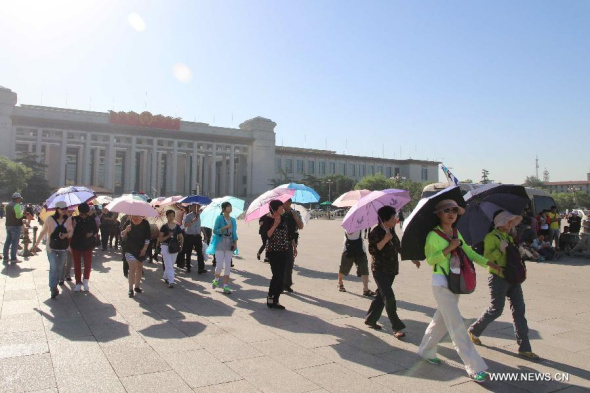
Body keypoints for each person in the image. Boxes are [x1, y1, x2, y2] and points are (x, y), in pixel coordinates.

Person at [417, 199, 501, 383]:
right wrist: (449, 248)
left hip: (456, 283)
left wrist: (489, 264)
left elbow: (469, 253)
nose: (451, 213)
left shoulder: (456, 232)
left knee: (440, 321)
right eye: (447, 210)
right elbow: (431, 260)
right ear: (439, 214)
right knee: (457, 326)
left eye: (454, 210)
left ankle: (425, 350)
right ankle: (474, 367)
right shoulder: (433, 235)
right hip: (441, 283)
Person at [468, 210, 539, 361]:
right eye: (508, 222)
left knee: (519, 311)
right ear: (500, 222)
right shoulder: (491, 237)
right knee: (496, 309)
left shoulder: (509, 236)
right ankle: (474, 330)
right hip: (498, 277)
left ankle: (524, 347)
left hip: (513, 277)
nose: (510, 224)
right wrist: (500, 251)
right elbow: (487, 257)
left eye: (511, 222)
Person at [365, 206, 418, 337]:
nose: (396, 219)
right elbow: (373, 251)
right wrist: (384, 240)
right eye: (393, 217)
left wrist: (412, 258)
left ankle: (371, 319)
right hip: (379, 270)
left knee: (381, 296)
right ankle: (396, 327)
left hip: (391, 269)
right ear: (385, 219)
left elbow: (399, 247)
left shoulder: (391, 231)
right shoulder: (375, 232)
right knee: (388, 296)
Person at [32, 201, 73, 299]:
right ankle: (53, 287)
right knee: (53, 267)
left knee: (60, 267)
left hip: (63, 247)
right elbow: (43, 232)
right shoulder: (50, 219)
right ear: (57, 209)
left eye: (65, 208)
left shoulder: (68, 219)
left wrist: (65, 235)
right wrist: (35, 245)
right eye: (62, 209)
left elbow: (71, 231)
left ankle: (55, 283)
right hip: (51, 247)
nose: (64, 210)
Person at [259, 200, 290, 309]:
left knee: (281, 277)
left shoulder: (284, 219)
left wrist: (293, 245)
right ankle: (270, 297)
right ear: (275, 209)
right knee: (276, 275)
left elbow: (288, 234)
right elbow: (266, 235)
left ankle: (276, 299)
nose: (283, 208)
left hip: (284, 251)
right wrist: (275, 225)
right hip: (273, 252)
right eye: (281, 207)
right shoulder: (267, 220)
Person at [208, 202, 238, 294]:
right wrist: (225, 227)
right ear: (224, 209)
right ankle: (216, 279)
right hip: (220, 243)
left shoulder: (233, 220)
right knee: (220, 265)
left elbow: (234, 232)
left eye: (231, 206)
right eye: (229, 206)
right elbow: (215, 230)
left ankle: (226, 286)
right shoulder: (219, 218)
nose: (231, 208)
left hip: (229, 243)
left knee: (228, 265)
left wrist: (235, 242)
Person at [337, 229, 376, 296]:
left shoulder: (361, 222)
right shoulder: (349, 224)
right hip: (348, 249)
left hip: (360, 249)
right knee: (344, 268)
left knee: (364, 269)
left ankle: (365, 289)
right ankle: (340, 282)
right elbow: (349, 232)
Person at [70, 203, 98, 292]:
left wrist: (91, 233)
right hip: (76, 243)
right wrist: (73, 226)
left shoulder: (91, 219)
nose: (83, 215)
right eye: (82, 213)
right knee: (77, 264)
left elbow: (96, 229)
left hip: (87, 244)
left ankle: (85, 281)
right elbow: (70, 231)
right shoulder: (74, 219)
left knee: (87, 264)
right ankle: (78, 282)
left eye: (85, 213)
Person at [121, 215, 151, 297]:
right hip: (129, 248)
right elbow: (122, 235)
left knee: (139, 267)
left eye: (136, 215)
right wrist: (126, 230)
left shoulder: (145, 223)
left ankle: (137, 286)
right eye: (133, 215)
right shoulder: (128, 222)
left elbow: (148, 237)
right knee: (132, 267)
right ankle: (130, 289)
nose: (134, 217)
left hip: (141, 249)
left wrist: (144, 248)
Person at [282, 199, 304, 293]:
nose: (283, 204)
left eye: (285, 203)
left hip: (292, 241)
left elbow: (301, 226)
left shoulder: (296, 213)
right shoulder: (280, 214)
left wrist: (295, 217)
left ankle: (287, 284)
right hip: (281, 240)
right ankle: (281, 284)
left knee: (290, 263)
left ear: (289, 203)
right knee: (281, 264)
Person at [159, 210, 184, 288]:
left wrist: (181, 245)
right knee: (169, 264)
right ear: (167, 217)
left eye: (173, 215)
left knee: (171, 263)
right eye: (170, 216)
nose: (171, 217)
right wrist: (168, 236)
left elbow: (181, 237)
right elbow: (160, 239)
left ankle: (165, 276)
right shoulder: (163, 227)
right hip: (165, 246)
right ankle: (171, 281)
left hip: (174, 247)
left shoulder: (177, 227)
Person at [181, 203, 207, 274]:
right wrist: (193, 220)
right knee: (188, 252)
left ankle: (201, 268)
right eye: (194, 206)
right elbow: (186, 225)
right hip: (189, 236)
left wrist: (204, 234)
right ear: (192, 207)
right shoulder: (188, 216)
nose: (196, 208)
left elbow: (201, 226)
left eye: (198, 207)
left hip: (197, 236)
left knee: (200, 252)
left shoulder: (201, 216)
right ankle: (188, 267)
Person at [4, 192, 25, 263]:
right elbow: (18, 216)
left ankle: (5, 257)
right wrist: (23, 213)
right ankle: (13, 258)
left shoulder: (7, 205)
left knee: (7, 242)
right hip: (15, 226)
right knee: (15, 242)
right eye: (19, 199)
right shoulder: (16, 205)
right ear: (17, 199)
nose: (20, 200)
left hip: (8, 225)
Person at [59, 208, 76, 285]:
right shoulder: (60, 219)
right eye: (69, 211)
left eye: (71, 211)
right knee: (62, 260)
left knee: (70, 259)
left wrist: (74, 226)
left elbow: (74, 230)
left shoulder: (73, 219)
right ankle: (61, 277)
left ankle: (67, 274)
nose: (70, 213)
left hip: (71, 240)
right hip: (62, 241)